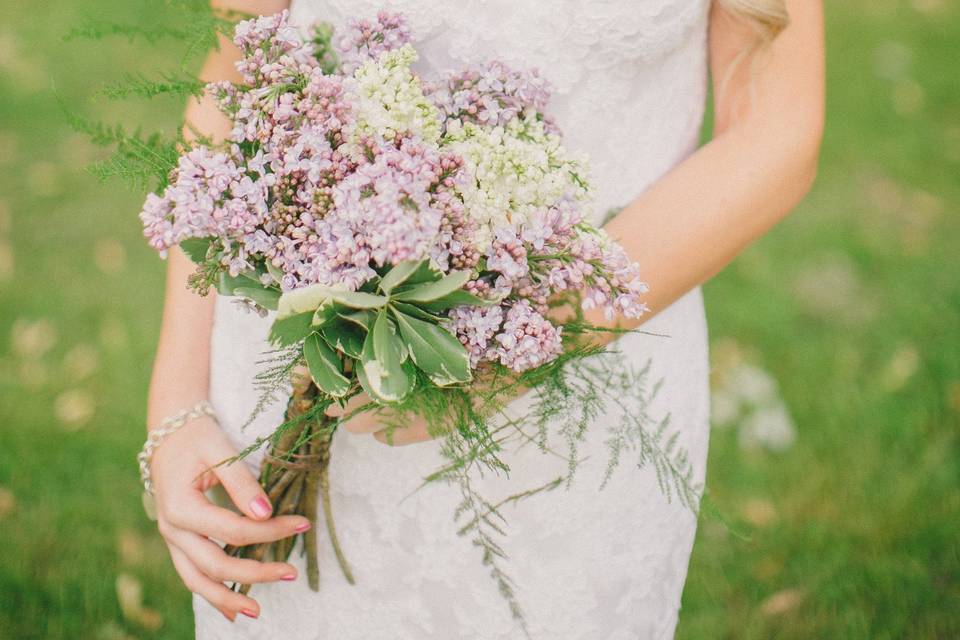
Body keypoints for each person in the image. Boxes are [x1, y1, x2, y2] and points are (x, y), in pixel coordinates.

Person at [145, 0, 824, 637]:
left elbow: (775, 129)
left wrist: (511, 349)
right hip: (291, 368)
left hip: (579, 411)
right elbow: (238, 69)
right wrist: (177, 401)